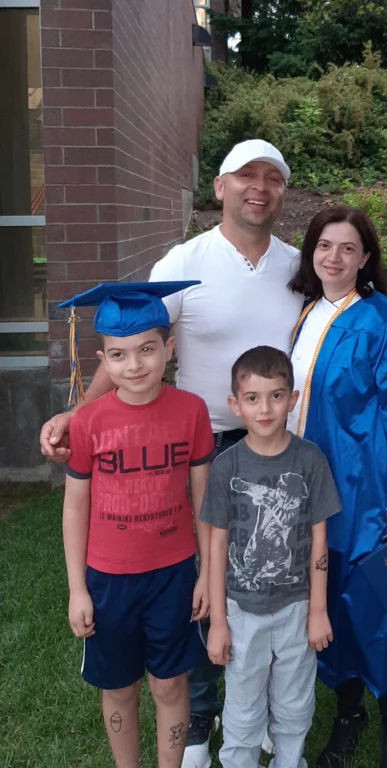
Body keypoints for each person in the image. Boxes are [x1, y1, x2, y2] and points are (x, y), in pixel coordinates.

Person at [39, 139, 304, 768]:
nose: (259, 188)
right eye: (246, 176)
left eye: (272, 178)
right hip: (202, 443)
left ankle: (260, 709)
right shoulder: (183, 261)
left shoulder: (300, 265)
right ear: (220, 187)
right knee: (200, 583)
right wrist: (78, 418)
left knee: (263, 581)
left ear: (282, 192)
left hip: (276, 443)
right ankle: (194, 723)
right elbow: (134, 345)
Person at [287, 205, 387, 768]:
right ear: (312, 252)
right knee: (325, 593)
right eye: (325, 245)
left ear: (366, 258)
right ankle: (348, 708)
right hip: (312, 485)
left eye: (348, 248)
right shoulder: (305, 316)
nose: (334, 257)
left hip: (370, 487)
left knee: (381, 591)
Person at [60, 281, 216, 768]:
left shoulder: (191, 412)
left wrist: (207, 572)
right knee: (118, 686)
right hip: (108, 578)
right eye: (119, 355)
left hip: (172, 573)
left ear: (169, 349)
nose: (135, 365)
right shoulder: (88, 422)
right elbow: (75, 507)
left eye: (147, 350)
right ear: (103, 361)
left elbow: (205, 499)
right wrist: (77, 589)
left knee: (170, 682)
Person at [202, 346, 341, 768]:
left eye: (276, 396)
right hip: (242, 609)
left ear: (293, 399)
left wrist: (318, 611)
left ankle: (289, 760)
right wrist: (219, 624)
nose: (265, 408)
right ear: (235, 405)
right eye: (252, 398)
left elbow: (320, 542)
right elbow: (217, 545)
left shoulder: (309, 461)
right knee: (243, 704)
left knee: (294, 701)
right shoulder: (227, 467)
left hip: (296, 606)